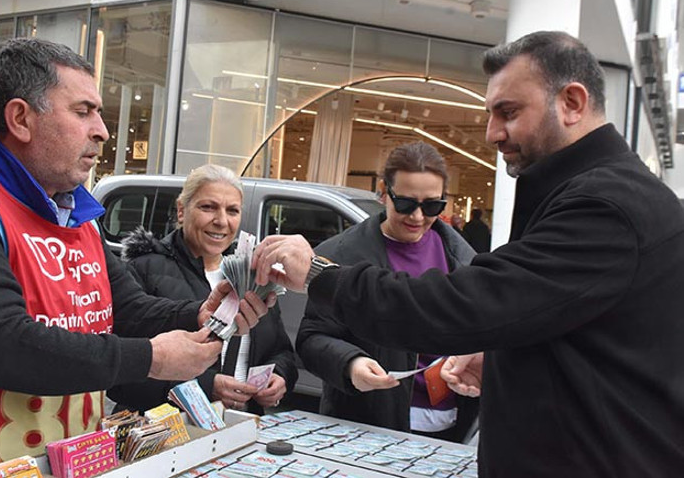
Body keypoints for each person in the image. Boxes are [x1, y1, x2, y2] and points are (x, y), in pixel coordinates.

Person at [251, 31, 684, 477]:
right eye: (490, 114)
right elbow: (567, 330)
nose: (493, 133)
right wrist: (503, 356)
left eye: (509, 112)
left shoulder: (605, 206)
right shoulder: (594, 195)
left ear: (572, 103)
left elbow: (464, 306)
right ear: (385, 196)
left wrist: (320, 275)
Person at [0, 38, 272, 477]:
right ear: (21, 119)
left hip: (71, 463)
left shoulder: (77, 215)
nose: (102, 130)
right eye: (83, 112)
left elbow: (127, 309)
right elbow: (2, 344)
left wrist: (198, 313)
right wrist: (152, 358)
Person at [296, 142, 477, 442]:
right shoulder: (340, 253)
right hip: (368, 423)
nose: (418, 217)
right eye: (406, 203)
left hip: (453, 424)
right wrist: (350, 364)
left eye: (432, 206)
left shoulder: (462, 256)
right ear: (384, 193)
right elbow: (312, 338)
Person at [108, 164, 297, 414]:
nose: (221, 221)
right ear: (181, 211)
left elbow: (281, 351)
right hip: (166, 436)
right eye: (208, 207)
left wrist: (280, 376)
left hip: (239, 429)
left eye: (232, 211)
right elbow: (120, 373)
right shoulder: (142, 270)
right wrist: (205, 387)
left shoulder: (253, 276)